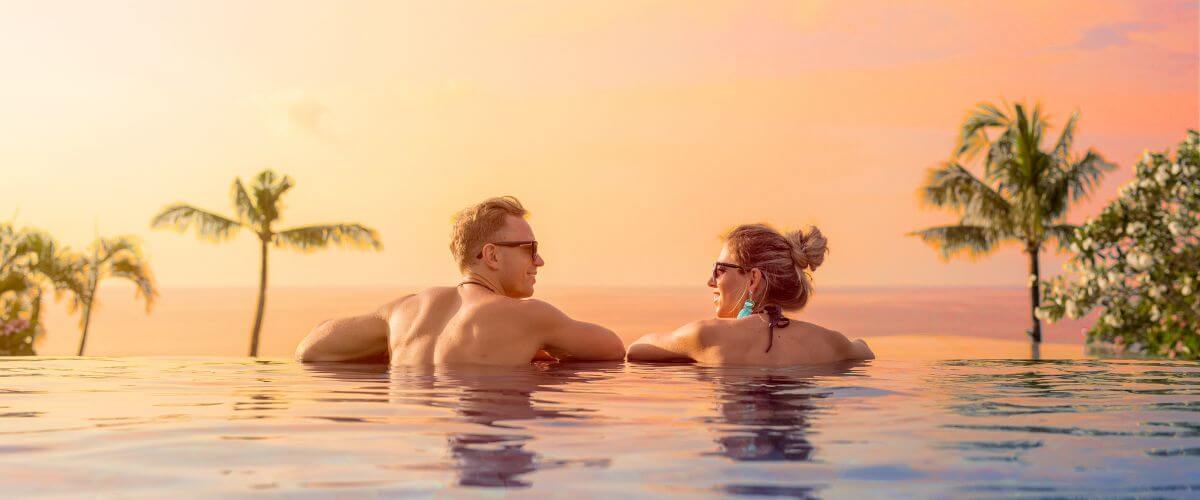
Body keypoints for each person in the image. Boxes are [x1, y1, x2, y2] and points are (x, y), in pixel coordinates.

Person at [295, 196, 625, 365]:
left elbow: (310, 349)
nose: (539, 260)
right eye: (530, 249)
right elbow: (614, 349)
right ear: (492, 256)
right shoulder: (529, 316)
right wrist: (539, 341)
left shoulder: (405, 311)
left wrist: (388, 347)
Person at [627, 224, 873, 365]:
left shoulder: (705, 336)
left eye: (720, 270)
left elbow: (636, 350)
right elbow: (864, 350)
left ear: (753, 279)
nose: (710, 281)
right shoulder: (828, 342)